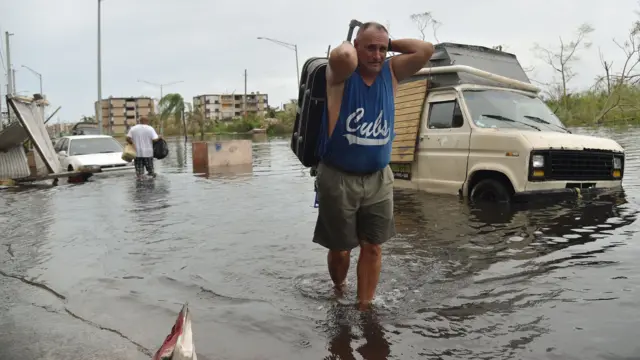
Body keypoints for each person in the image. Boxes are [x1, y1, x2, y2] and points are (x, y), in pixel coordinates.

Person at [313, 22, 434, 310]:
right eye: (370, 47)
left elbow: (426, 50)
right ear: (356, 47)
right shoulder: (340, 76)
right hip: (338, 178)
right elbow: (341, 57)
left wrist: (386, 45)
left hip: (379, 178)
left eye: (382, 48)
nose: (377, 55)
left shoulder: (392, 72)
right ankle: (339, 288)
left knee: (373, 246)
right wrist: (354, 45)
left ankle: (364, 307)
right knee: (341, 250)